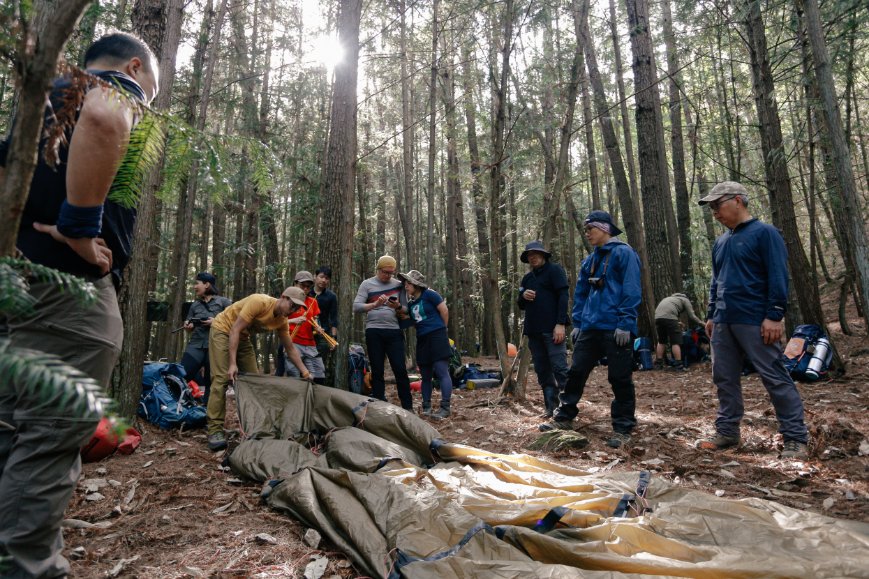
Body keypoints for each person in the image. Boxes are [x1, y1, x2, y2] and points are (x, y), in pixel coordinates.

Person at [0, 32, 159, 579]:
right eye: (151, 92)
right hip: (67, 295)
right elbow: (106, 119)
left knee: (8, 430)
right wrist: (77, 230)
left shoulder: (39, 103)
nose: (148, 105)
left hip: (17, 284)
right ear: (134, 68)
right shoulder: (109, 89)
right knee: (48, 438)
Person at [698, 181, 809, 459]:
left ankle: (795, 438)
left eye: (717, 205)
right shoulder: (721, 241)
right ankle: (727, 430)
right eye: (711, 207)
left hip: (755, 319)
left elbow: (778, 275)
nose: (714, 212)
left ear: (737, 200)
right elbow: (716, 281)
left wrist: (774, 315)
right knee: (724, 376)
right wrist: (711, 314)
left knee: (774, 375)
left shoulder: (765, 233)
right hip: (723, 320)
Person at [539, 211, 642, 449]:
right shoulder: (590, 260)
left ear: (604, 228)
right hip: (591, 328)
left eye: (590, 230)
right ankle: (564, 417)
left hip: (616, 328)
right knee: (575, 373)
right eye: (585, 230)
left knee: (619, 378)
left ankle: (623, 427)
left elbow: (631, 288)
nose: (587, 234)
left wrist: (625, 322)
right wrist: (579, 323)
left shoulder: (624, 254)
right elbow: (582, 293)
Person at [206, 287, 310, 451]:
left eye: (297, 308)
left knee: (254, 381)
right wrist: (232, 364)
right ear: (283, 297)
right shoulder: (259, 302)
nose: (294, 310)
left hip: (243, 337)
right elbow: (234, 329)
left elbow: (290, 349)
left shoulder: (281, 321)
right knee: (221, 379)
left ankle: (255, 427)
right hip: (223, 329)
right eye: (292, 305)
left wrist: (305, 372)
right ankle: (214, 430)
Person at [516, 240, 570, 417]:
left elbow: (563, 296)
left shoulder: (554, 271)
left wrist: (560, 323)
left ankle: (567, 409)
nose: (533, 258)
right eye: (530, 255)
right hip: (533, 331)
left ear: (543, 255)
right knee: (542, 370)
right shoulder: (527, 278)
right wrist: (523, 295)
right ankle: (551, 408)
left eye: (536, 254)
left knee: (560, 368)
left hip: (553, 329)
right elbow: (520, 305)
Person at [352, 255, 413, 410]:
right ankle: (379, 403)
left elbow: (407, 309)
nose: (388, 276)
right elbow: (356, 306)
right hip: (374, 331)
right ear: (378, 269)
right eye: (385, 272)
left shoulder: (399, 285)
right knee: (377, 370)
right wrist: (374, 304)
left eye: (391, 273)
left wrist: (398, 306)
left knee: (400, 369)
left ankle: (407, 406)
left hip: (394, 332)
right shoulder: (367, 284)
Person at [397, 270, 452, 419]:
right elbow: (414, 320)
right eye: (405, 284)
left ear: (416, 284)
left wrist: (442, 329)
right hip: (422, 339)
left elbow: (444, 310)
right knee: (425, 375)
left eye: (408, 283)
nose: (406, 286)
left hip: (437, 336)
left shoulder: (430, 295)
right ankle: (426, 406)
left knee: (441, 372)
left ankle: (445, 407)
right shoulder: (411, 302)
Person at [180, 272, 232, 399]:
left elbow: (233, 323)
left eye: (197, 283)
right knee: (182, 375)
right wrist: (188, 326)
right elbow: (189, 325)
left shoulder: (224, 302)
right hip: (196, 345)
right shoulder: (195, 305)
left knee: (211, 382)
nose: (194, 287)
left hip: (215, 346)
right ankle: (182, 406)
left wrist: (215, 322)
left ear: (207, 284)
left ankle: (206, 412)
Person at [282, 271, 327, 385]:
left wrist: (317, 328)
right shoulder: (287, 300)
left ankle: (313, 400)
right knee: (294, 375)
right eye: (302, 285)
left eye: (308, 286)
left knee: (318, 374)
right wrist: (293, 320)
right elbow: (276, 322)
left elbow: (314, 320)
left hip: (310, 344)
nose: (305, 289)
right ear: (295, 284)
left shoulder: (313, 302)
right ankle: (297, 401)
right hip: (293, 342)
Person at [654, 292, 704, 371]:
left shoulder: (668, 299)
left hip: (657, 318)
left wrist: (677, 322)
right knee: (675, 342)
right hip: (670, 318)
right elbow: (692, 316)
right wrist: (703, 324)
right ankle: (679, 365)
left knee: (661, 341)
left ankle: (658, 364)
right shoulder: (685, 300)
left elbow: (665, 315)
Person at [312, 266, 338, 385]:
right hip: (306, 334)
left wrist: (332, 338)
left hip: (323, 335)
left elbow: (334, 318)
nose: (324, 280)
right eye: (321, 277)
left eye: (327, 278)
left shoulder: (331, 296)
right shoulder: (307, 293)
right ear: (315, 277)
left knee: (319, 366)